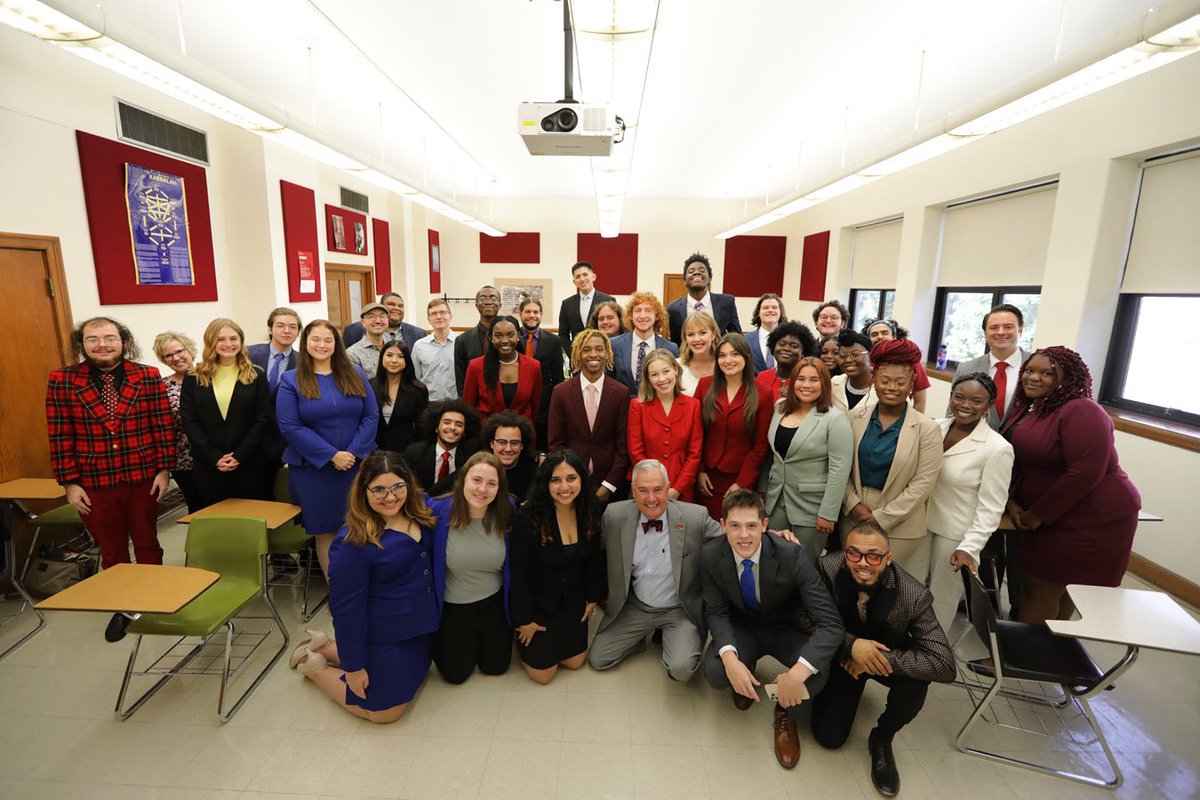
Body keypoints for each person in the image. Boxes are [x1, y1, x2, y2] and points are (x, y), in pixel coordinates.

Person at [46, 317, 175, 641]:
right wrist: (69, 483)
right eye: (93, 339)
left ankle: (152, 598)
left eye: (109, 338)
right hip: (93, 482)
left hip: (142, 476)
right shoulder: (62, 380)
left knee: (147, 542)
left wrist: (163, 470)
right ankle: (124, 605)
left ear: (123, 341)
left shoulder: (146, 375)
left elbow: (161, 426)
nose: (102, 344)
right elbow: (59, 434)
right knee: (111, 548)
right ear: (82, 344)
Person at [291, 451, 442, 723]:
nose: (391, 496)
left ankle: (324, 645)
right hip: (383, 633)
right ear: (364, 491)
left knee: (419, 677)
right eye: (379, 490)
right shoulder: (352, 542)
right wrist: (353, 668)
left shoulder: (419, 508)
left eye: (398, 486)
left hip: (419, 628)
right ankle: (315, 667)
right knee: (385, 712)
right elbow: (347, 611)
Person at [701, 489, 844, 769]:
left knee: (816, 675)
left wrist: (797, 674)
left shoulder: (791, 554)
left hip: (784, 627)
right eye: (735, 526)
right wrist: (731, 660)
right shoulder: (710, 554)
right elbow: (716, 611)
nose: (744, 535)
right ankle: (746, 671)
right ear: (722, 525)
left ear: (765, 525)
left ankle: (784, 711)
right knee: (717, 672)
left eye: (752, 525)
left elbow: (831, 624)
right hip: (744, 626)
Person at [813, 521, 956, 797]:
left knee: (919, 679)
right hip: (842, 656)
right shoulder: (827, 568)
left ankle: (882, 737)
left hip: (887, 657)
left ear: (888, 558)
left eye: (874, 556)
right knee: (828, 738)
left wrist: (876, 658)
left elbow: (945, 664)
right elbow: (802, 617)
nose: (863, 563)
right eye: (854, 553)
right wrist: (850, 646)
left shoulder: (914, 595)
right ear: (845, 553)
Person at [1001, 346, 1141, 624]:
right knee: (1052, 588)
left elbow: (1085, 472)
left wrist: (1036, 514)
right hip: (1051, 515)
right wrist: (1013, 500)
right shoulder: (1034, 407)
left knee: (1040, 589)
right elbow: (1020, 460)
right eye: (1029, 370)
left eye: (1047, 373)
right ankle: (1049, 656)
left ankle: (1024, 659)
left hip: (1091, 519)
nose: (1033, 377)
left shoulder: (1082, 410)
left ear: (1068, 379)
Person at [587, 459, 724, 681]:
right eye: (643, 490)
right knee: (599, 659)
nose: (651, 498)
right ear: (633, 491)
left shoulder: (695, 517)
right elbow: (590, 549)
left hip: (679, 609)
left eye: (658, 490)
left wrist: (772, 539)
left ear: (668, 488)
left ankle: (672, 637)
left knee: (681, 671)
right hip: (636, 604)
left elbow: (731, 543)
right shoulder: (615, 515)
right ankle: (640, 638)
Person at [276, 320, 379, 577]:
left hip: (356, 466)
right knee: (328, 531)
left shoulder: (354, 372)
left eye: (328, 340)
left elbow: (371, 415)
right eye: (316, 339)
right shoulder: (291, 380)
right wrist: (331, 455)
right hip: (314, 471)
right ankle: (338, 590)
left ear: (336, 344)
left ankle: (364, 583)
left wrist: (353, 454)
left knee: (363, 526)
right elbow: (290, 426)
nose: (322, 345)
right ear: (306, 342)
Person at [841, 339, 943, 580]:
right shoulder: (853, 417)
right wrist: (853, 506)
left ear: (911, 386)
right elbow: (840, 468)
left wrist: (879, 518)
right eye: (885, 381)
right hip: (853, 515)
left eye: (900, 382)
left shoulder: (927, 429)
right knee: (851, 583)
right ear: (874, 381)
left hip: (901, 525)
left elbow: (923, 484)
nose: (892, 388)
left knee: (888, 586)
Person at [927, 373, 1013, 633]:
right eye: (959, 397)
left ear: (989, 406)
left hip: (955, 534)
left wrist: (970, 548)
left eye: (977, 401)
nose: (965, 405)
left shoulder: (997, 448)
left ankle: (933, 653)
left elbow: (992, 508)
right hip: (918, 524)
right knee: (908, 588)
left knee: (940, 598)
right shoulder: (934, 427)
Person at [510, 449, 604, 684]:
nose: (565, 487)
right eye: (556, 480)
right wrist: (524, 620)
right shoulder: (528, 515)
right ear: (545, 483)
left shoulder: (590, 510)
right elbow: (518, 573)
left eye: (571, 478)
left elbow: (593, 559)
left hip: (572, 601)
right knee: (543, 675)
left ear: (582, 479)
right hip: (538, 606)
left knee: (575, 663)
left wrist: (592, 597)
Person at [427, 452, 515, 684]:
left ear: (499, 488)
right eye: (476, 480)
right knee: (456, 675)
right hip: (454, 606)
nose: (482, 489)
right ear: (463, 479)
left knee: (496, 667)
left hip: (493, 603)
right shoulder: (437, 509)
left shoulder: (508, 510)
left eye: (491, 483)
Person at [762, 357, 853, 561]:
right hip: (776, 501)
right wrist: (763, 488)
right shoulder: (779, 408)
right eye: (801, 379)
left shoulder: (835, 419)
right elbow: (771, 454)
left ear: (825, 384)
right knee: (773, 561)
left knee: (803, 567)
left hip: (812, 508)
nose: (806, 385)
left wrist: (828, 513)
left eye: (814, 380)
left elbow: (840, 470)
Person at [180, 318, 271, 506]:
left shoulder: (256, 374)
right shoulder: (193, 377)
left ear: (241, 341)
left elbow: (262, 419)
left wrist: (240, 455)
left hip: (249, 462)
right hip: (209, 465)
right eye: (221, 339)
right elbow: (189, 420)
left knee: (251, 518)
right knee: (217, 520)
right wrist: (213, 456)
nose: (228, 344)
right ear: (211, 342)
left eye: (233, 338)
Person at [694, 333, 773, 521]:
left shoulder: (763, 393)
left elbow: (760, 446)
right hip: (706, 480)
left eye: (734, 354)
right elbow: (695, 433)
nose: (728, 360)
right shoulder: (705, 386)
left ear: (746, 357)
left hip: (740, 478)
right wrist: (699, 470)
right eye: (722, 355)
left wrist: (742, 483)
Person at [547, 329, 630, 503]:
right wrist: (570, 481)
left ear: (607, 353)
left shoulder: (621, 393)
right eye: (586, 349)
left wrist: (608, 487)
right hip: (571, 488)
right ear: (577, 354)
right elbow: (556, 443)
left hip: (611, 489)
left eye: (599, 349)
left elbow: (623, 448)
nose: (593, 354)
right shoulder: (561, 392)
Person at [628, 349, 702, 503]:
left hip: (682, 487)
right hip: (646, 488)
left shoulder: (693, 405)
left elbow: (694, 454)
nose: (662, 379)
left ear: (676, 370)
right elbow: (636, 451)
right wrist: (654, 489)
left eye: (666, 371)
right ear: (648, 378)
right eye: (654, 374)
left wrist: (676, 490)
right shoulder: (638, 406)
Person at [248, 306, 300, 497]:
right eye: (281, 326)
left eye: (292, 327)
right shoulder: (248, 355)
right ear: (270, 329)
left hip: (281, 440)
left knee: (275, 493)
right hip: (248, 438)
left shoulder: (303, 363)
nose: (287, 331)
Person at [951, 303, 1029, 430]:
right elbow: (953, 414)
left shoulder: (1036, 367)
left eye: (1008, 327)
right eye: (994, 327)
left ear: (1020, 330)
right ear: (985, 333)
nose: (1000, 332)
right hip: (977, 444)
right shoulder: (966, 369)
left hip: (1024, 445)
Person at [462, 314, 543, 434]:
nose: (505, 341)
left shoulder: (533, 366)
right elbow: (468, 407)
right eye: (498, 335)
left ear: (518, 336)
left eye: (510, 335)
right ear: (491, 338)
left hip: (522, 438)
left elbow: (535, 408)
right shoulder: (476, 366)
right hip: (487, 439)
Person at [153, 331, 202, 513]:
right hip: (183, 460)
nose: (176, 357)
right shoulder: (161, 387)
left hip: (215, 455)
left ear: (190, 350)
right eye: (168, 355)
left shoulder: (211, 377)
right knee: (196, 505)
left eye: (180, 351)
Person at [403, 399, 482, 496]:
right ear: (436, 427)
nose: (452, 427)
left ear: (464, 432)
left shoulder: (471, 456)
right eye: (447, 422)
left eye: (459, 424)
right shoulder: (415, 453)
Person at [517, 295, 566, 448]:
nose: (532, 315)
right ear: (520, 314)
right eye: (528, 312)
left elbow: (558, 377)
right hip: (516, 402)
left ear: (541, 315)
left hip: (544, 406)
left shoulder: (553, 341)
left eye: (536, 312)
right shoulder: (512, 338)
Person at [610, 292, 678, 396]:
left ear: (656, 316)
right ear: (631, 316)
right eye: (637, 311)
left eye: (648, 310)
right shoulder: (614, 345)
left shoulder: (670, 348)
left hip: (657, 407)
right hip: (624, 408)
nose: (642, 315)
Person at [667, 252, 742, 344]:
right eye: (691, 271)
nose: (696, 272)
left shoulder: (727, 302)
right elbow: (676, 342)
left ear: (709, 278)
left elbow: (737, 338)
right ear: (684, 280)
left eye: (702, 270)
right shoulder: (673, 309)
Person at [370, 340, 428, 453]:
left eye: (400, 356)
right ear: (381, 358)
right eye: (389, 355)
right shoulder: (369, 386)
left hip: (406, 450)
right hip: (374, 450)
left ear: (407, 361)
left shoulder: (418, 390)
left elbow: (422, 427)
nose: (394, 361)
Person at [862, 319, 930, 413]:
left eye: (884, 333)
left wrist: (914, 424)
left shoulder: (911, 361)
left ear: (894, 336)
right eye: (874, 334)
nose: (880, 337)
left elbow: (919, 400)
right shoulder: (865, 360)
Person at [454, 285, 502, 394]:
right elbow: (461, 381)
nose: (488, 302)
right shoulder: (462, 340)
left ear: (500, 304)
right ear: (476, 305)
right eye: (483, 298)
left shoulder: (509, 339)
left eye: (493, 298)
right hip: (475, 403)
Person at [481, 411, 538, 501]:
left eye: (514, 443)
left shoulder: (535, 472)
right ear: (492, 443)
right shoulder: (478, 468)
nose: (508, 449)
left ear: (522, 446)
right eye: (502, 442)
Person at [755, 321, 816, 402]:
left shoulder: (808, 381)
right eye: (782, 344)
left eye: (794, 346)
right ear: (773, 347)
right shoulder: (762, 377)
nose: (786, 348)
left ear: (803, 352)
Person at [411, 298, 458, 402]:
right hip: (427, 404)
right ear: (429, 319)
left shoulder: (461, 343)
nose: (438, 317)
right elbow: (415, 379)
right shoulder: (419, 346)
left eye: (443, 312)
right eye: (434, 314)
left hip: (455, 403)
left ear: (450, 316)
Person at [558, 261, 615, 346]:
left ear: (593, 277)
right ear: (574, 282)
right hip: (576, 355)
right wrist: (572, 354)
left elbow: (614, 331)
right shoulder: (567, 304)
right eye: (578, 276)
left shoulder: (608, 300)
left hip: (601, 353)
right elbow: (563, 334)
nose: (582, 279)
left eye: (585, 275)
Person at [343, 292, 425, 351]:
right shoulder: (354, 331)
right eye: (391, 304)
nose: (396, 308)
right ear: (380, 306)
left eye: (401, 306)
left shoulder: (418, 334)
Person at [345, 302, 393, 380]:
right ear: (363, 322)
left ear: (387, 320)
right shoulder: (352, 354)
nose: (378, 321)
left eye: (382, 316)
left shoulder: (396, 346)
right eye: (371, 316)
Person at [677, 311, 719, 397]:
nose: (696, 339)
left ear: (713, 334)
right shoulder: (676, 367)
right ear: (685, 338)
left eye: (702, 333)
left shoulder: (724, 365)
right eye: (691, 334)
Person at [831, 331, 875, 411]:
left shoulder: (882, 387)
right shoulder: (834, 383)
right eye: (842, 356)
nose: (848, 360)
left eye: (855, 355)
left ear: (870, 355)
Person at [747, 293, 787, 373]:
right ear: (758, 313)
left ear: (780, 312)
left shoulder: (790, 340)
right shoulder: (746, 340)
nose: (770, 310)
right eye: (765, 308)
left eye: (774, 307)